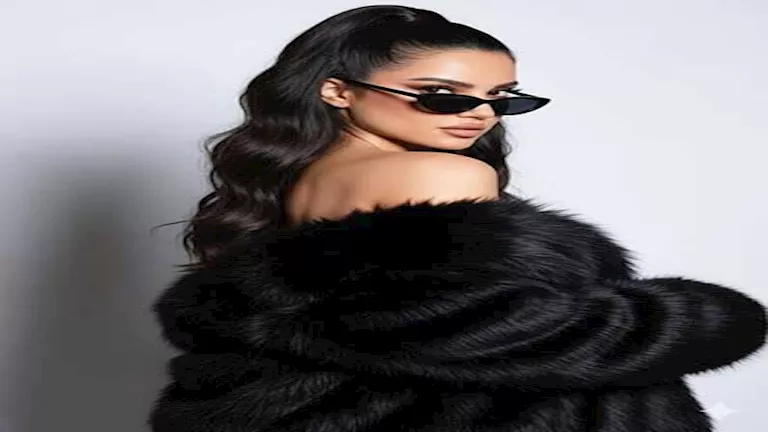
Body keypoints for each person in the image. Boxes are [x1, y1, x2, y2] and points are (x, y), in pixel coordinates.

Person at [148, 5, 767, 432]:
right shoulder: (443, 174)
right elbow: (486, 333)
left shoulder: (300, 182)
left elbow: (378, 322)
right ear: (338, 91)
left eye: (503, 99)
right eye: (442, 95)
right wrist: (698, 319)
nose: (481, 115)